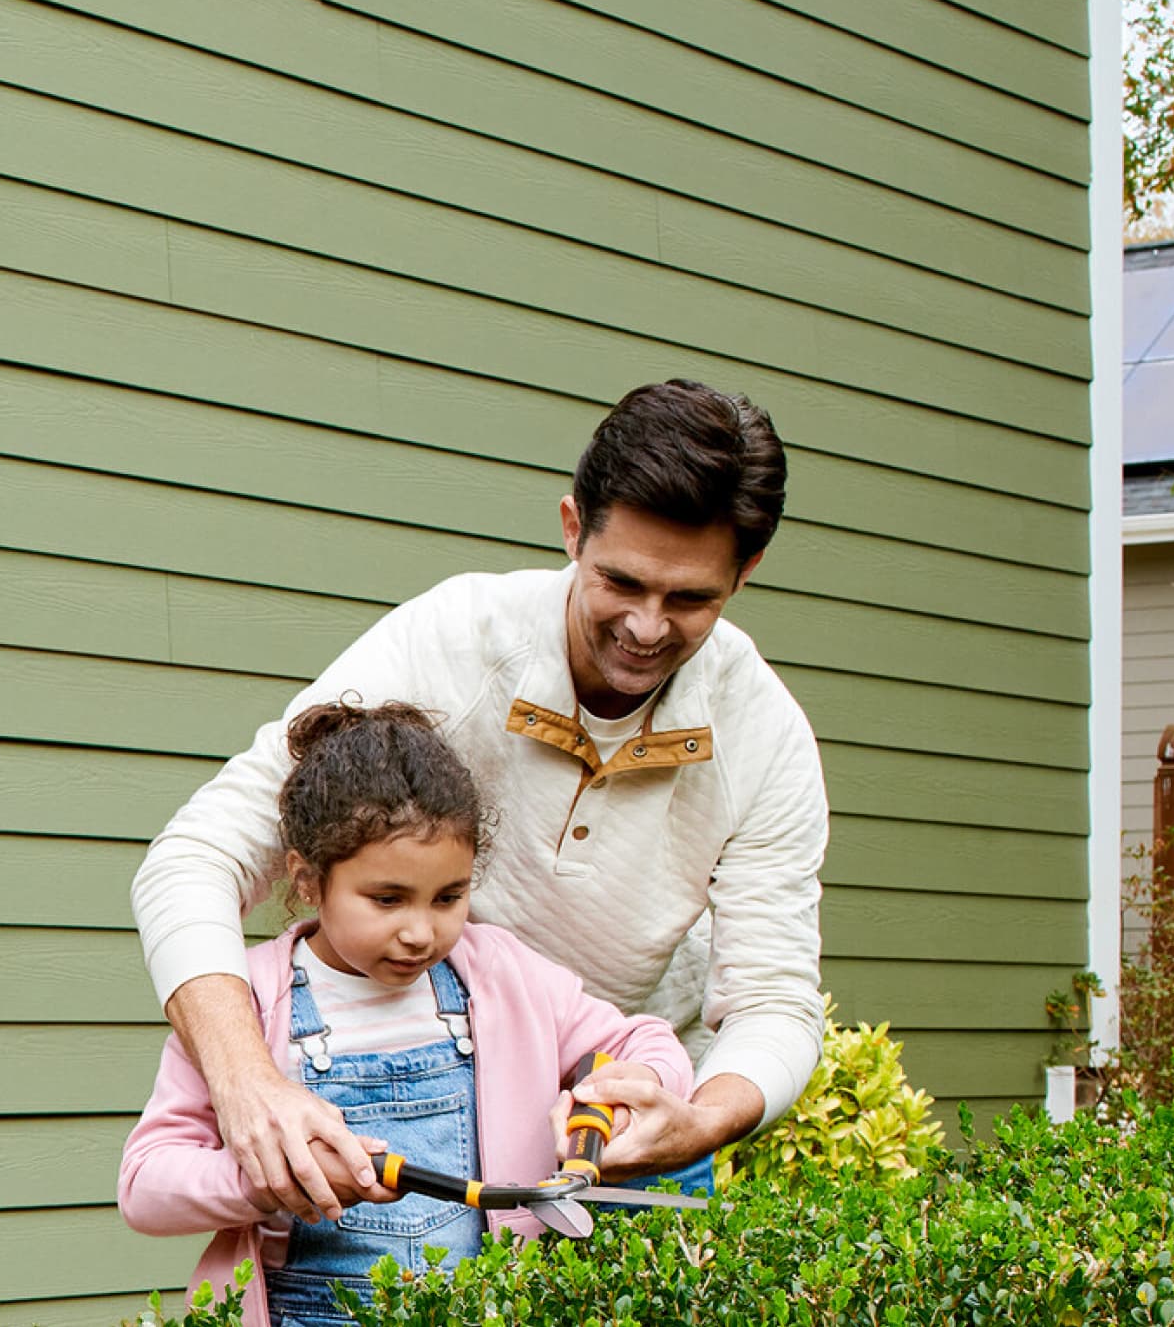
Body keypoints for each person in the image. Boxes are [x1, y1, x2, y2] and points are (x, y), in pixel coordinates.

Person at [132, 379, 826, 1225]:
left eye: (690, 599)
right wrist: (248, 1087)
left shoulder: (766, 735)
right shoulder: (451, 641)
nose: (647, 628)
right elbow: (197, 857)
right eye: (621, 582)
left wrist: (703, 1116)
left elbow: (774, 1001)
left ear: (745, 571)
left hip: (616, 1127)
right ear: (573, 528)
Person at [117, 700, 692, 1327]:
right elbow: (146, 1187)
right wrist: (269, 1180)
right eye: (387, 900)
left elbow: (643, 1043)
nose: (421, 932)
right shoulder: (250, 999)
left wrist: (625, 1099)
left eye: (449, 897)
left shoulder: (498, 972)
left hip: (489, 1306)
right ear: (307, 880)